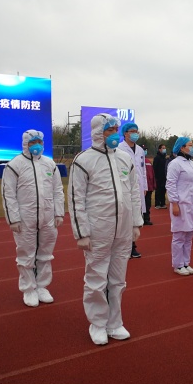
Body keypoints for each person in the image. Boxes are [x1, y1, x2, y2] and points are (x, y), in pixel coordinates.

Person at [68, 114, 143, 345]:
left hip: (122, 229)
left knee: (118, 280)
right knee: (96, 278)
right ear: (99, 132)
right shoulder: (84, 160)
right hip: (98, 228)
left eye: (116, 130)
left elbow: (133, 191)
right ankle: (98, 323)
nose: (115, 134)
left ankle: (114, 322)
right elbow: (75, 198)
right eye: (110, 130)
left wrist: (136, 223)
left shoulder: (124, 158)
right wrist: (81, 232)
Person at [1, 130, 65, 307]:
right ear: (25, 144)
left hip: (48, 217)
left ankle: (42, 286)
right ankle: (28, 289)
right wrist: (13, 218)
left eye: (39, 141)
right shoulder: (14, 165)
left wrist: (59, 212)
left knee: (45, 253)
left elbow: (57, 190)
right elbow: (8, 194)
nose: (37, 145)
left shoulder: (49, 164)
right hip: (25, 217)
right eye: (32, 142)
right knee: (26, 254)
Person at [166, 137, 193, 275]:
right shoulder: (175, 164)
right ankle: (178, 264)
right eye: (190, 145)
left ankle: (186, 262)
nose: (192, 147)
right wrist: (174, 203)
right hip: (181, 204)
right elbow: (170, 184)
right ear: (182, 148)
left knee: (189, 235)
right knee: (179, 235)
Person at [118, 123, 147, 258]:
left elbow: (143, 170)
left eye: (137, 131)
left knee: (136, 215)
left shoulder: (140, 150)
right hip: (124, 186)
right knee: (125, 216)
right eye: (132, 131)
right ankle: (125, 246)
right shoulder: (119, 149)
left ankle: (132, 245)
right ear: (125, 133)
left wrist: (145, 186)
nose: (135, 133)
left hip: (138, 187)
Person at [143, 146, 155, 225]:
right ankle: (140, 219)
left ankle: (146, 219)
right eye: (144, 150)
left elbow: (152, 173)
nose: (145, 151)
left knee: (148, 203)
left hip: (149, 186)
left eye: (146, 150)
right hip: (141, 188)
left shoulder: (148, 161)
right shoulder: (136, 161)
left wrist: (153, 184)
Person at [153, 144, 168, 209]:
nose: (164, 149)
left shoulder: (165, 158)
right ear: (159, 149)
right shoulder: (157, 158)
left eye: (165, 148)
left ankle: (163, 203)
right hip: (158, 177)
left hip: (164, 177)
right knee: (158, 190)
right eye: (163, 148)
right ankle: (157, 203)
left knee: (163, 190)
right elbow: (155, 168)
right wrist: (156, 177)